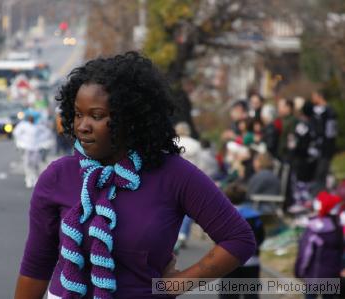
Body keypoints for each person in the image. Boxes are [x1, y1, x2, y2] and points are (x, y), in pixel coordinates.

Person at [14, 52, 256, 299]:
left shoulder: (174, 175)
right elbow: (37, 266)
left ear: (131, 119)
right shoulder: (57, 176)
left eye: (97, 116)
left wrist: (174, 285)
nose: (82, 126)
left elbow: (238, 238)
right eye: (78, 114)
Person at [294, 191, 343, 299]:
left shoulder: (312, 227)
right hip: (332, 275)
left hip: (313, 274)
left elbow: (305, 252)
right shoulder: (337, 228)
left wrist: (299, 270)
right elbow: (340, 251)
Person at [221, 183, 265, 299]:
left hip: (227, 260)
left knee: (228, 294)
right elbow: (261, 237)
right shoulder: (255, 217)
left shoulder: (224, 215)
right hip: (252, 260)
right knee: (251, 294)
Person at [173, 122, 201, 252]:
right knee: (189, 208)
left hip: (175, 177)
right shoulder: (196, 144)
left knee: (174, 206)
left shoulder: (173, 142)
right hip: (192, 178)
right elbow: (201, 162)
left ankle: (175, 233)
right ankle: (183, 234)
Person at [311, 89, 338, 193]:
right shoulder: (319, 110)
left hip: (325, 149)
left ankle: (320, 195)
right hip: (319, 148)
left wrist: (326, 145)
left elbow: (330, 133)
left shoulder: (328, 112)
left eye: (314, 96)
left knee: (322, 173)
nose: (313, 98)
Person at [13, 109, 42, 188]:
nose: (31, 118)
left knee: (35, 164)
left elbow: (44, 134)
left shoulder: (38, 125)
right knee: (27, 163)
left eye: (32, 117)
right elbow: (16, 133)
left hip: (35, 147)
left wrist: (44, 143)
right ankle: (28, 178)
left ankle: (36, 178)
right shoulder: (23, 125)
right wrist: (19, 143)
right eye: (30, 117)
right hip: (26, 147)